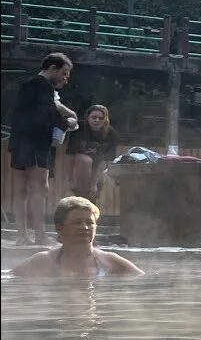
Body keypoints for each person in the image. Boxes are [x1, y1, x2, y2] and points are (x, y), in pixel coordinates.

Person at [7, 53, 76, 245]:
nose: (65, 78)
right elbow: (48, 111)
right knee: (39, 188)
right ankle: (40, 234)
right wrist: (67, 123)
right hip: (36, 141)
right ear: (52, 68)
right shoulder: (43, 85)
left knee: (21, 190)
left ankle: (22, 235)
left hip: (19, 140)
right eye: (63, 73)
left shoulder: (27, 84)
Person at [11, 196, 144, 278]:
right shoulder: (43, 261)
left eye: (90, 223)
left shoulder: (110, 261)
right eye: (77, 222)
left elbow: (142, 281)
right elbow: (11, 280)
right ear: (59, 227)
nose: (85, 227)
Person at [66, 105, 119, 201]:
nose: (97, 120)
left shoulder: (111, 134)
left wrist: (94, 183)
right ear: (88, 118)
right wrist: (70, 180)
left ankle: (90, 204)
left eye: (100, 118)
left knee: (94, 192)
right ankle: (82, 198)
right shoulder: (79, 129)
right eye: (94, 117)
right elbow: (70, 156)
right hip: (80, 165)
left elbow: (105, 161)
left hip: (99, 167)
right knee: (85, 160)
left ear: (105, 120)